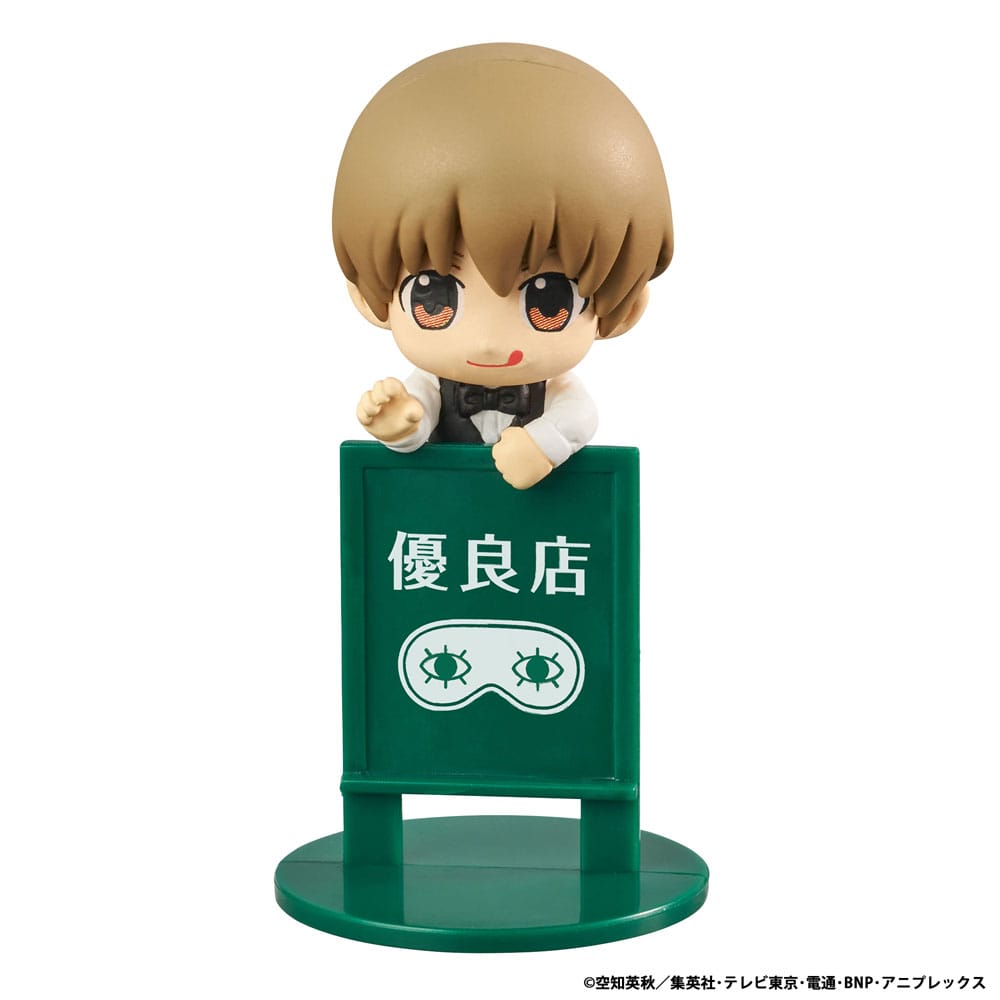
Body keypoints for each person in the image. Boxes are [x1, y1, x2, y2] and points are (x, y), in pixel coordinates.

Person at [333, 43, 673, 488]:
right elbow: (419, 419)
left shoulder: (557, 392)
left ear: (624, 311)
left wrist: (545, 445)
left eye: (548, 302)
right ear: (368, 297)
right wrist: (402, 428)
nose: (489, 342)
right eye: (433, 297)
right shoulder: (431, 386)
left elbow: (579, 416)